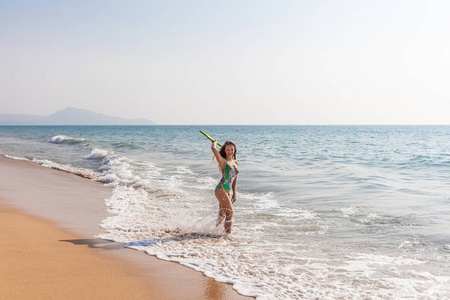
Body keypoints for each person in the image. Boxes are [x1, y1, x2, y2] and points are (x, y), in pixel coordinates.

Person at [211, 140, 239, 234]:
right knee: (230, 213)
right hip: (220, 189)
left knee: (222, 214)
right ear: (224, 150)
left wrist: (234, 193)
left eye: (232, 149)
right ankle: (227, 236)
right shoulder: (223, 161)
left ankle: (215, 233)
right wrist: (214, 142)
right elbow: (213, 149)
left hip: (227, 191)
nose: (230, 152)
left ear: (234, 150)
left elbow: (234, 179)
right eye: (228, 150)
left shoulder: (235, 162)